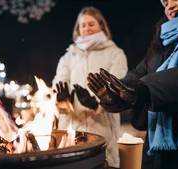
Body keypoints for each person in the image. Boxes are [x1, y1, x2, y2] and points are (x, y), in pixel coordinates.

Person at [87, 0, 178, 169]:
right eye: (165, 2)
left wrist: (144, 89)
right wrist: (114, 95)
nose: (169, 5)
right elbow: (137, 77)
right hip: (158, 146)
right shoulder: (161, 44)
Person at [52, 6, 128, 168]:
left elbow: (118, 88)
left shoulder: (115, 53)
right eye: (83, 25)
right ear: (77, 29)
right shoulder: (68, 57)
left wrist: (96, 103)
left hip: (102, 128)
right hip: (71, 130)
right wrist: (62, 99)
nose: (87, 28)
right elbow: (59, 82)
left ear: (101, 25)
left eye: (91, 24)